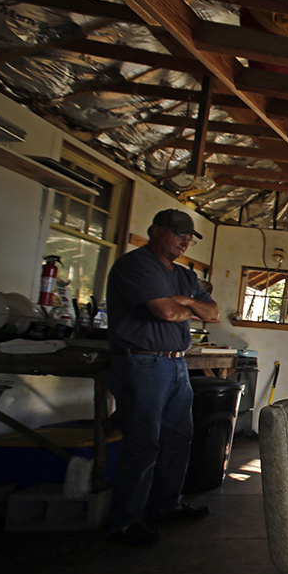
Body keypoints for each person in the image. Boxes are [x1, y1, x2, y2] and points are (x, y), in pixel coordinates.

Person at [105, 209, 219, 545]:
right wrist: (188, 307)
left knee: (178, 439)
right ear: (156, 230)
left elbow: (211, 313)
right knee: (142, 444)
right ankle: (124, 522)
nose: (184, 241)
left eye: (189, 237)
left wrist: (185, 300)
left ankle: (165, 506)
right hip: (141, 364)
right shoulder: (136, 265)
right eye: (178, 233)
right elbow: (166, 312)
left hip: (176, 365)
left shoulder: (185, 276)